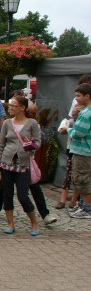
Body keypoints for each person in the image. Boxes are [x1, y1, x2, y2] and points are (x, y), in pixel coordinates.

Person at [0, 95, 41, 235]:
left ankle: (34, 223)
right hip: (7, 164)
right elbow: (1, 144)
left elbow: (38, 143)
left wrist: (30, 144)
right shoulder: (7, 123)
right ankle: (10, 224)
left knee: (23, 196)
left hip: (23, 164)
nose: (11, 108)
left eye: (14, 105)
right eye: (10, 105)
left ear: (22, 108)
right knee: (7, 195)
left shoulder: (32, 123)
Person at [65, 83, 91, 219]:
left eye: (79, 96)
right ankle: (82, 205)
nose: (76, 98)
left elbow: (78, 133)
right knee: (83, 178)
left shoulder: (86, 112)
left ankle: (87, 209)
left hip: (83, 150)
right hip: (86, 150)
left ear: (87, 96)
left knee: (82, 179)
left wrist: (67, 129)